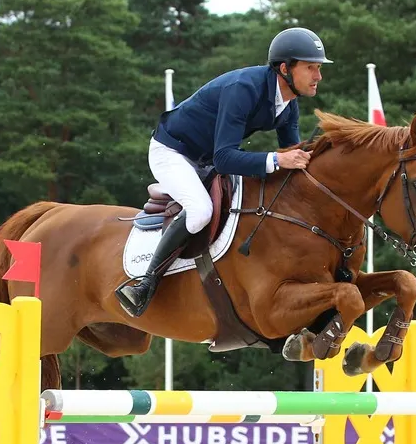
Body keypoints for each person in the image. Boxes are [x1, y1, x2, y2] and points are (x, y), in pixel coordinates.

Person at [115, 27, 333, 317]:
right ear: (285, 68)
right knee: (201, 211)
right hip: (173, 152)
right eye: (311, 68)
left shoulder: (288, 105)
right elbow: (227, 157)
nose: (318, 76)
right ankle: (144, 284)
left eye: (318, 68)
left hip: (206, 159)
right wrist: (279, 160)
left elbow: (292, 156)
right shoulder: (243, 89)